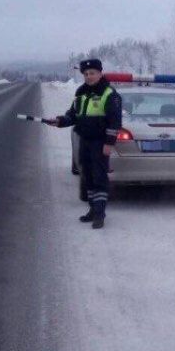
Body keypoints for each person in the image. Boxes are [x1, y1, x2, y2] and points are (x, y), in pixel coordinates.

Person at [44, 59, 122, 229]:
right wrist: (59, 121)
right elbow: (73, 115)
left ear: (100, 73)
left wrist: (109, 143)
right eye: (86, 74)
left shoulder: (109, 94)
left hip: (100, 142)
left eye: (92, 73)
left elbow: (115, 122)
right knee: (87, 176)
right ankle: (92, 210)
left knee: (99, 176)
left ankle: (100, 214)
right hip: (84, 140)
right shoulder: (81, 93)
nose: (89, 76)